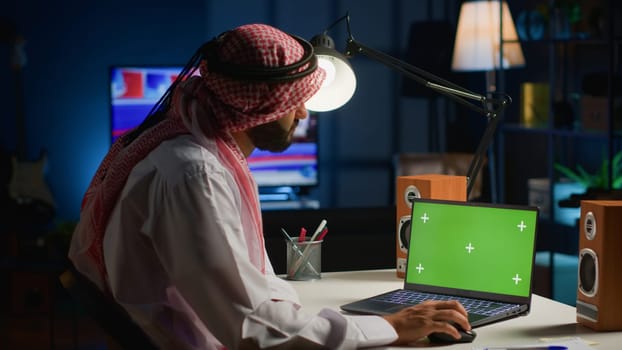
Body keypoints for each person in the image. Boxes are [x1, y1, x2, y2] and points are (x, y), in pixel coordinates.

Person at [68, 23, 471, 349]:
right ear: (254, 104)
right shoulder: (196, 174)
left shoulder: (190, 142)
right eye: (291, 100)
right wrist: (391, 327)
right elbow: (253, 330)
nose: (302, 112)